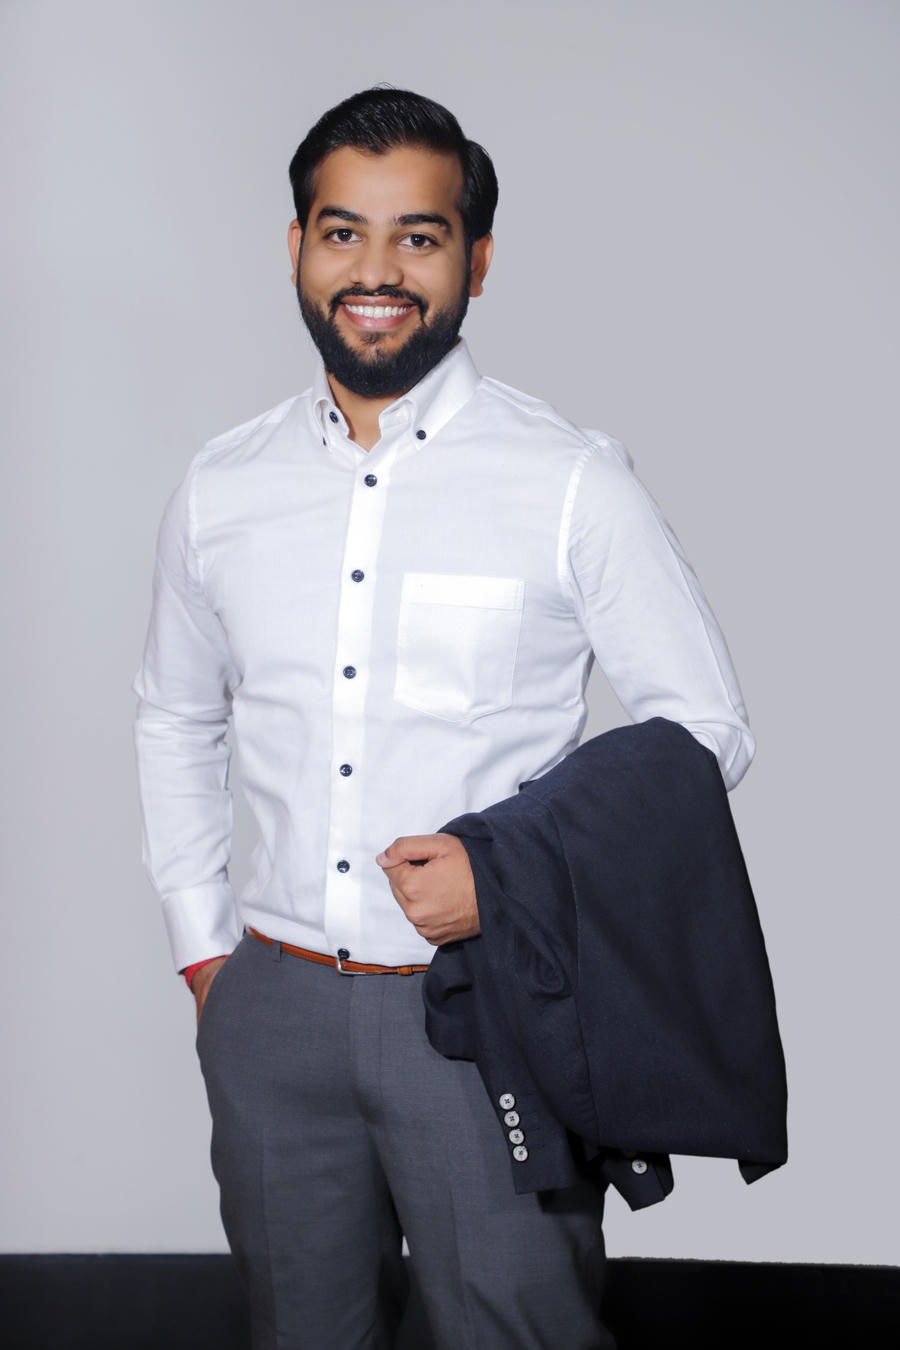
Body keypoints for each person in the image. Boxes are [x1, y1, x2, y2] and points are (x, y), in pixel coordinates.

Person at [133, 87, 755, 1350]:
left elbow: (705, 733)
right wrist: (207, 958)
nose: (377, 271)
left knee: (516, 1330)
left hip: (487, 1009)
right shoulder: (221, 487)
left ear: (476, 259)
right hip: (273, 1008)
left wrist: (512, 874)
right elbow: (175, 715)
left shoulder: (570, 481)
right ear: (297, 248)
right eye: (342, 232)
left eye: (418, 236)